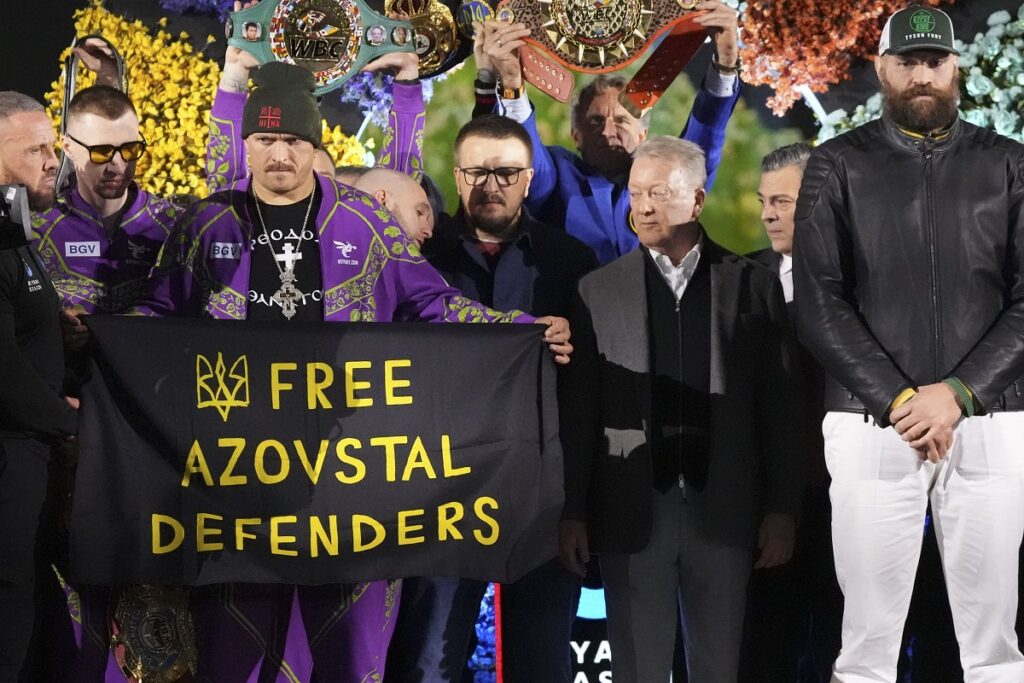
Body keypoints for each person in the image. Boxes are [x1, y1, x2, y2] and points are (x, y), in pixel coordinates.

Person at [136, 61, 571, 682]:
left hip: (352, 489)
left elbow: (432, 302)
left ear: (316, 148)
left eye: (293, 140)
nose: (279, 153)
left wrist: (514, 329)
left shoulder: (363, 224)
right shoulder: (207, 225)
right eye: (265, 140)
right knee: (232, 661)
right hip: (236, 490)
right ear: (246, 145)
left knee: (354, 665)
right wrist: (100, 331)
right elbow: (155, 313)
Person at [792, 5, 1024, 681]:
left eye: (934, 61)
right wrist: (900, 398)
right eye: (907, 61)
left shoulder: (1010, 165)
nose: (921, 74)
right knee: (866, 647)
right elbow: (817, 302)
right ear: (881, 69)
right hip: (872, 425)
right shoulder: (835, 165)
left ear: (956, 67)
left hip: (990, 418)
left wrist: (956, 394)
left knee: (995, 648)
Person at [560, 136, 803, 682]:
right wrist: (573, 510)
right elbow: (579, 415)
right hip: (629, 512)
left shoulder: (752, 285)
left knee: (720, 668)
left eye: (657, 193)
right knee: (637, 670)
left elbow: (780, 408)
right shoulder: (597, 291)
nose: (641, 206)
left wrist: (781, 509)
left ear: (696, 201)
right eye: (635, 192)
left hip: (728, 512)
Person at [388, 115, 597, 683]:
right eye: (478, 171)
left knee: (540, 662)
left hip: (541, 497)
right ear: (457, 177)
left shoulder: (570, 263)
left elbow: (585, 398)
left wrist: (576, 509)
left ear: (529, 178)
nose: (491, 184)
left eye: (506, 172)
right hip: (437, 496)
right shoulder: (417, 263)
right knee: (430, 661)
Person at [477, 0, 741, 264]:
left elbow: (705, 136)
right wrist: (512, 84)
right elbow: (523, 157)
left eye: (622, 121)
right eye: (594, 121)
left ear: (643, 134)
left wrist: (726, 65)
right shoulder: (558, 175)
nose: (608, 131)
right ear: (575, 135)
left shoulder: (667, 175)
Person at [739, 142, 842, 682]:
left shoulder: (864, 284)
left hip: (845, 500)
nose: (768, 214)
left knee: (839, 646)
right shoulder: (742, 279)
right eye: (764, 201)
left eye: (783, 201)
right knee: (764, 650)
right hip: (763, 506)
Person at [0, 91, 79, 682]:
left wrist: (63, 331)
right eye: (36, 149)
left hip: (33, 458)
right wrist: (72, 422)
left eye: (53, 146)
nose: (54, 160)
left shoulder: (16, 236)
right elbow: (3, 373)